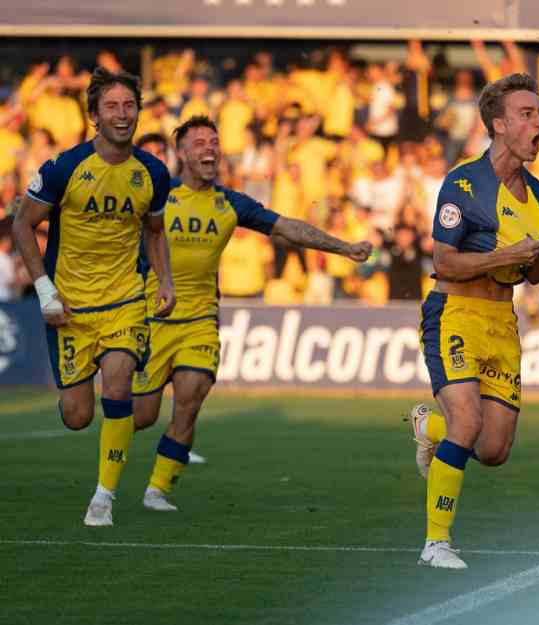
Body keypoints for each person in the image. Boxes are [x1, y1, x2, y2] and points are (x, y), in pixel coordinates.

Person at [131, 116, 371, 511]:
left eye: (214, 141)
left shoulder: (230, 203)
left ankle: (157, 489)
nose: (210, 149)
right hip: (152, 318)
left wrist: (342, 247)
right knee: (141, 416)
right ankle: (113, 473)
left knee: (190, 397)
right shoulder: (157, 199)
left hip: (200, 321)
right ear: (182, 154)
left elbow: (287, 227)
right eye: (200, 143)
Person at [407, 73, 539, 569]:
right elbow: (446, 262)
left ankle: (427, 426)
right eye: (528, 114)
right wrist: (510, 252)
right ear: (499, 125)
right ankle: (436, 542)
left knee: (494, 449)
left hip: (502, 319)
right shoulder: (464, 183)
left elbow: (533, 277)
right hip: (453, 311)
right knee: (469, 420)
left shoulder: (538, 195)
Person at [12, 67, 175, 526]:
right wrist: (45, 291)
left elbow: (155, 231)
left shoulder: (153, 172)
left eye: (129, 106)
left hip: (124, 300)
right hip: (71, 307)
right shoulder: (66, 167)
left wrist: (165, 281)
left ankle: (103, 497)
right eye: (112, 107)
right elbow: (23, 224)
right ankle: (76, 407)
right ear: (93, 117)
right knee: (78, 416)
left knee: (119, 383)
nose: (123, 115)